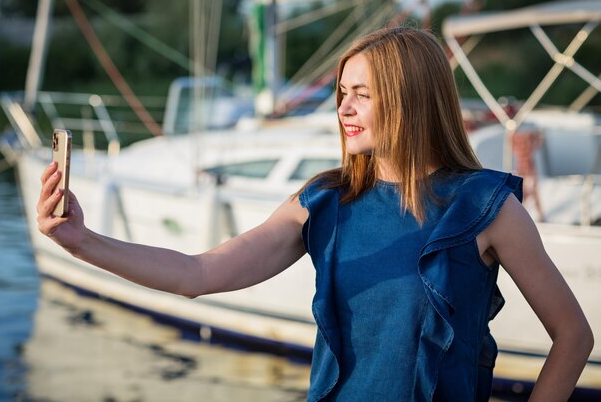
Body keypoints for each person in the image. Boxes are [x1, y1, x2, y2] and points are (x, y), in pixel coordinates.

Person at [37, 27, 593, 402]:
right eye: (341, 93)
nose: (343, 109)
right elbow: (196, 274)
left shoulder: (486, 206)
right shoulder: (324, 200)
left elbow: (572, 336)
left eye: (361, 94)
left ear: (408, 99)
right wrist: (82, 242)